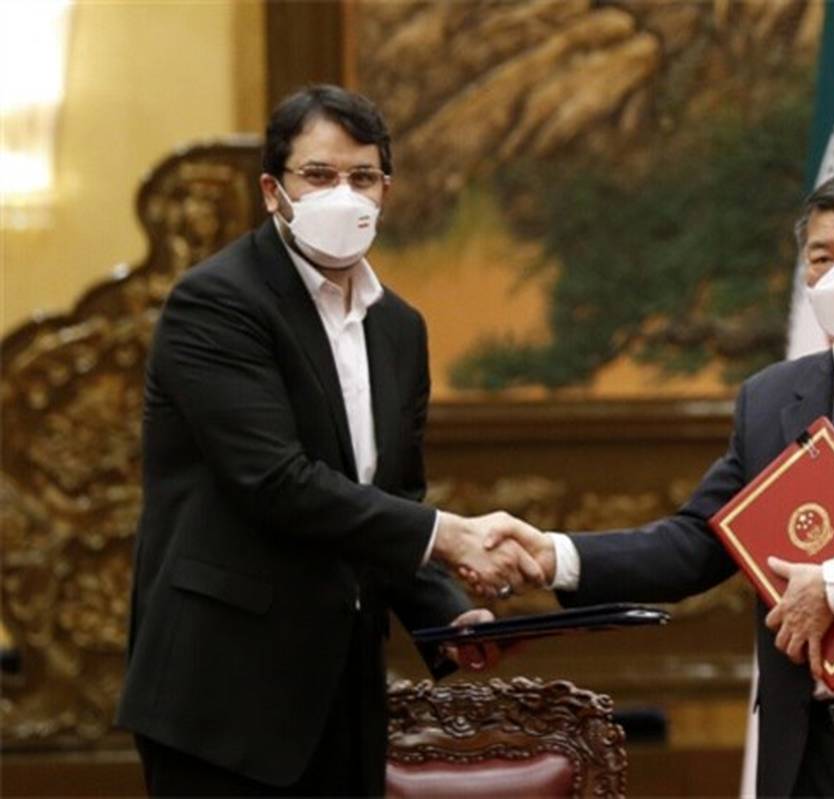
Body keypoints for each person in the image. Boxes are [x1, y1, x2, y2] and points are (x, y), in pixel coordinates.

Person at [482, 170, 834, 796]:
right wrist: (555, 556)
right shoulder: (772, 398)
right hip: (808, 749)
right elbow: (697, 543)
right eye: (821, 259)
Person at [117, 84, 543, 797]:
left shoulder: (398, 328)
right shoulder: (216, 302)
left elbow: (390, 499)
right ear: (273, 191)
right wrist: (449, 536)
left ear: (386, 191)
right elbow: (275, 481)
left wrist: (450, 615)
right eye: (318, 175)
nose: (343, 196)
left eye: (362, 177)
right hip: (223, 699)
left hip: (344, 696)